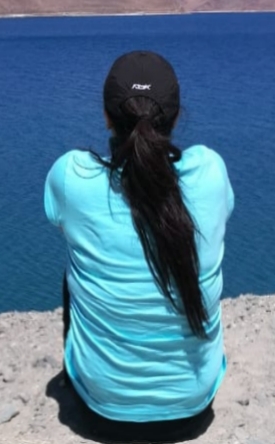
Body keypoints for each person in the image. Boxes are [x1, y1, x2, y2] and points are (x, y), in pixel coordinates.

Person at [44, 50, 235, 443]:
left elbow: (58, 220)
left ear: (106, 116)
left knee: (77, 264)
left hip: (102, 410)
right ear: (178, 116)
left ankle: (88, 372)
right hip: (193, 407)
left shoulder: (71, 175)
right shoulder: (211, 172)